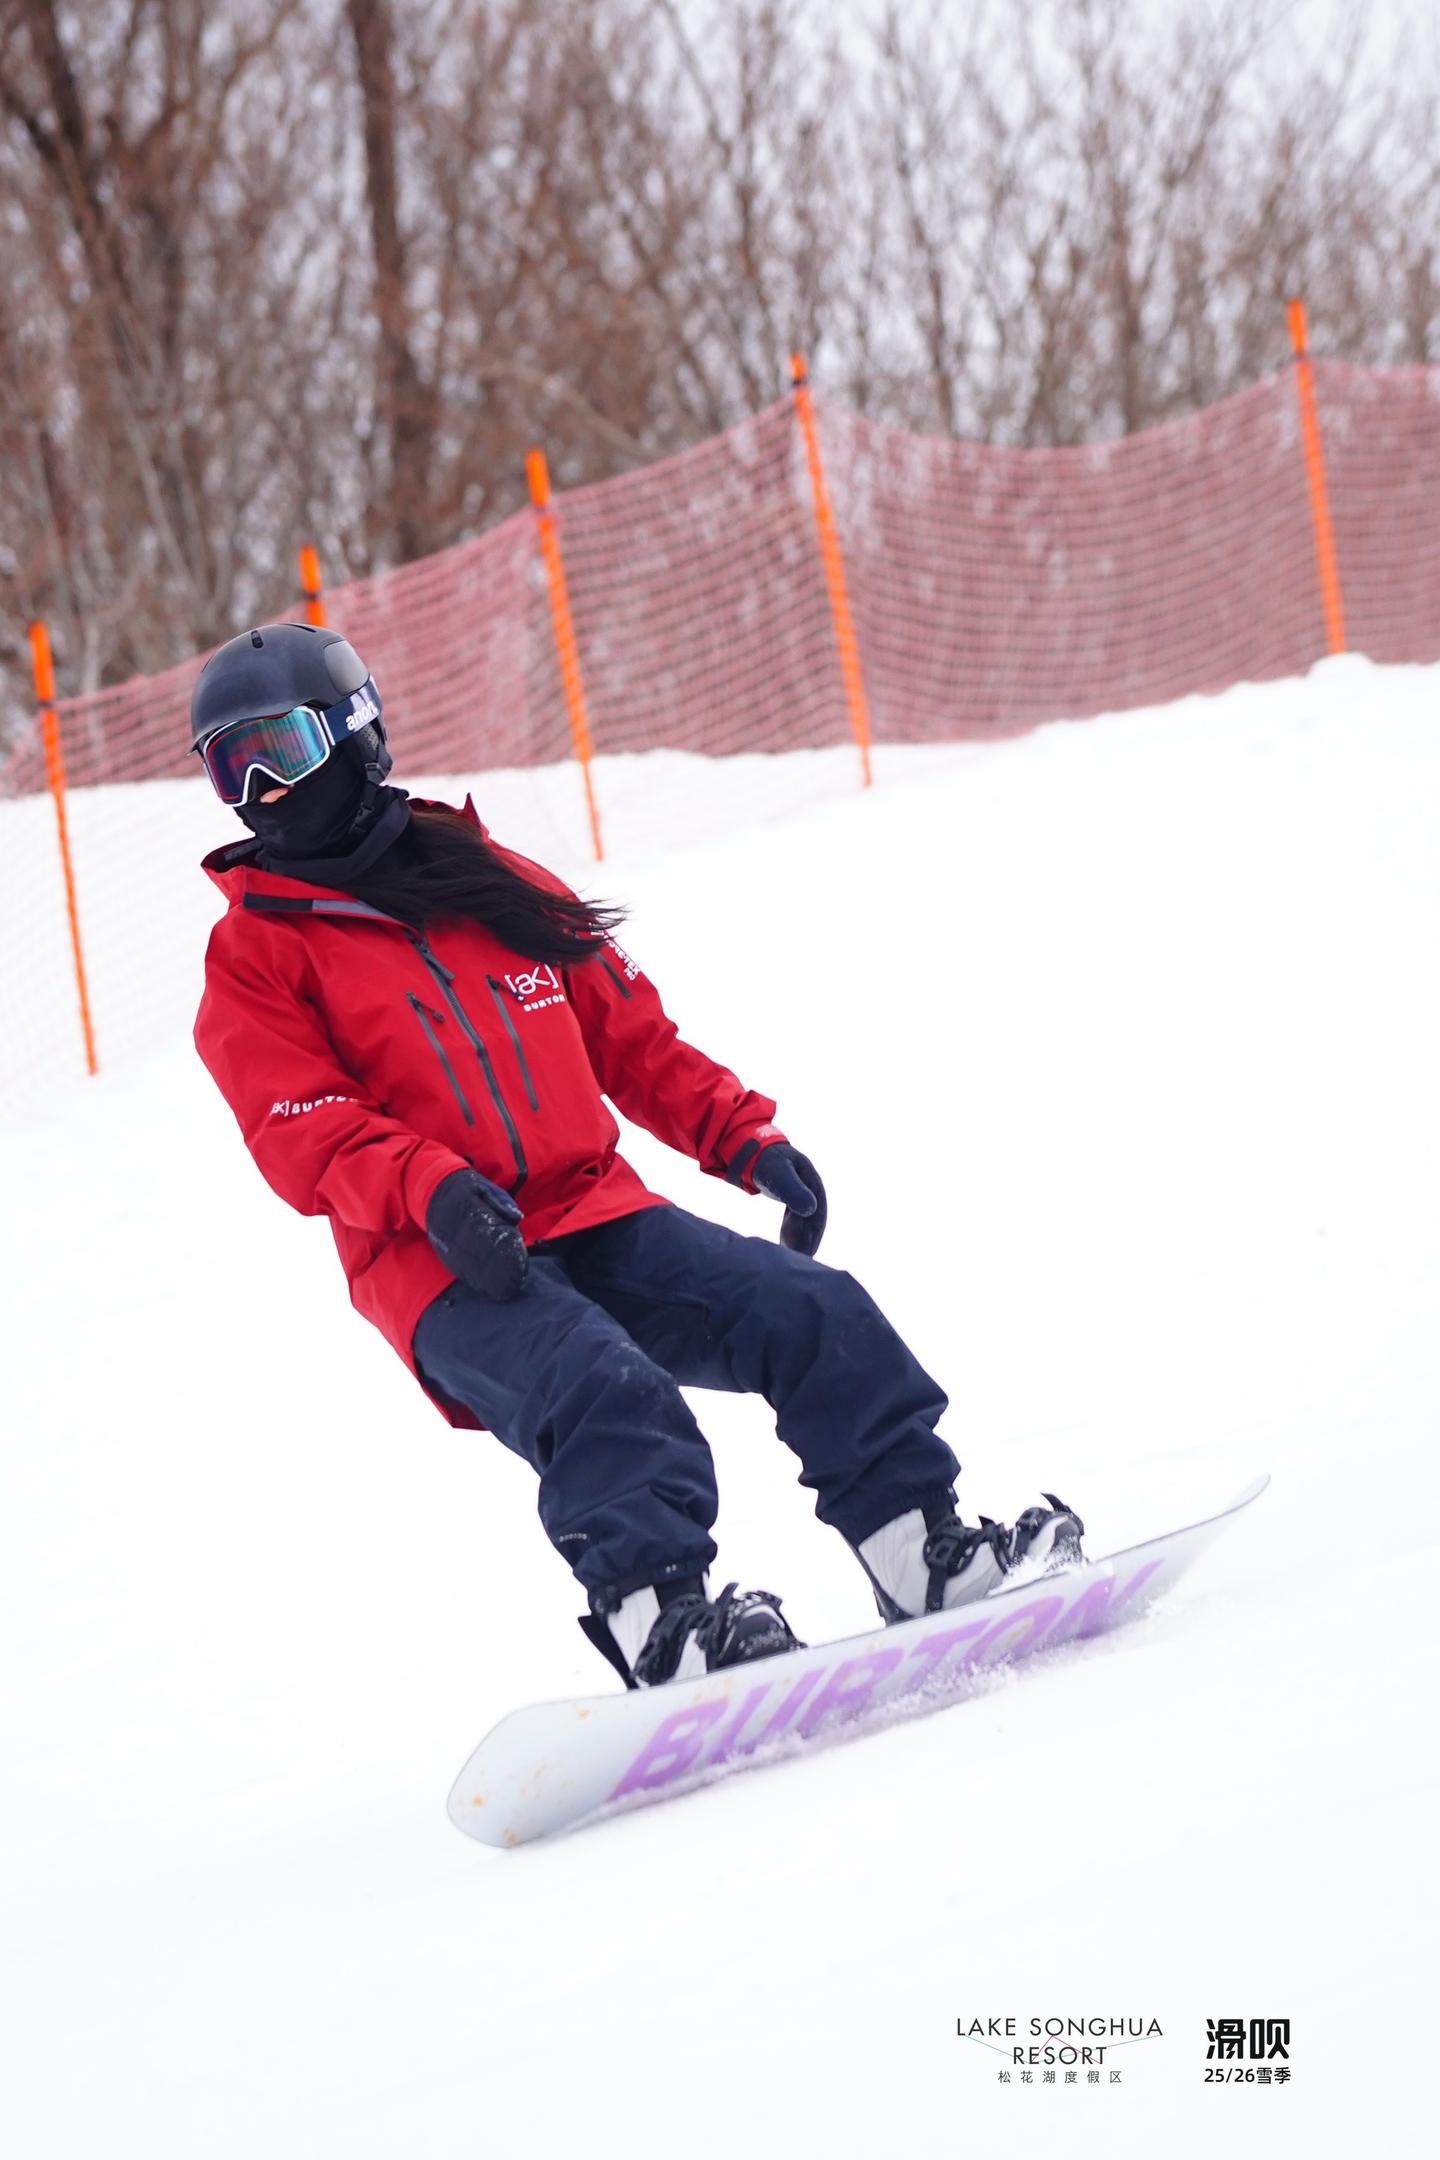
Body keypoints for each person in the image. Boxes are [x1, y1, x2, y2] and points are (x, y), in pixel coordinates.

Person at [192, 623, 1081, 1688]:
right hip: (435, 1260)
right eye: (226, 766)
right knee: (596, 1382)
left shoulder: (489, 878)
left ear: (352, 731)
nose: (259, 789)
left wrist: (740, 1134)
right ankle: (663, 1623)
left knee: (811, 1309)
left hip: (593, 1209)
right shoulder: (256, 953)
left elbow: (630, 1037)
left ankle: (916, 1552)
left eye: (276, 750)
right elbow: (302, 1123)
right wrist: (430, 1190)